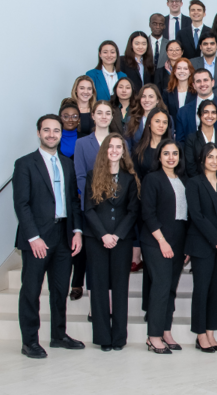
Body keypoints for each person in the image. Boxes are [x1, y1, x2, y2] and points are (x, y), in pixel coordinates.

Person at [13, 114, 85, 359]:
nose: (52, 134)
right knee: (31, 291)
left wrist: (77, 231)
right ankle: (29, 341)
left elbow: (74, 201)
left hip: (63, 234)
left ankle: (58, 335)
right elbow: (21, 204)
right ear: (38, 133)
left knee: (59, 289)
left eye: (56, 130)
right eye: (47, 130)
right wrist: (33, 237)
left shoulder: (67, 163)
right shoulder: (25, 164)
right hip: (37, 239)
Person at [83, 133, 140, 351]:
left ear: (124, 151)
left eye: (119, 147)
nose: (114, 150)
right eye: (111, 147)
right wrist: (103, 235)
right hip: (96, 239)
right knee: (98, 289)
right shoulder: (92, 176)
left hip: (121, 240)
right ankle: (102, 338)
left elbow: (133, 211)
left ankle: (118, 338)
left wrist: (117, 235)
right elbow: (88, 209)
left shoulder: (130, 178)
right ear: (104, 150)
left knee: (119, 288)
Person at [185, 142, 217, 353]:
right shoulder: (194, 183)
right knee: (201, 289)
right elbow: (197, 216)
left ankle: (210, 332)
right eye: (210, 157)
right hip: (203, 245)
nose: (214, 161)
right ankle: (200, 334)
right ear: (202, 160)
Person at [140, 139, 187, 354]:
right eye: (166, 153)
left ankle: (166, 331)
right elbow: (148, 213)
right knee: (160, 287)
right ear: (159, 156)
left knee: (170, 288)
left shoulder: (183, 180)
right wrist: (162, 241)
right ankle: (153, 336)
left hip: (178, 241)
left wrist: (184, 246)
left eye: (174, 153)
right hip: (157, 241)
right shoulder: (152, 179)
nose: (171, 157)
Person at [71, 100, 120, 302]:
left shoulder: (119, 142)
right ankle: (95, 305)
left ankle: (108, 300)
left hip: (115, 209)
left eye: (107, 113)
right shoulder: (81, 143)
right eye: (99, 113)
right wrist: (92, 202)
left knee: (113, 262)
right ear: (92, 115)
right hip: (92, 208)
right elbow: (80, 176)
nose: (103, 116)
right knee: (94, 260)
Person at [174, 68, 217, 144]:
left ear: (212, 83)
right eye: (198, 81)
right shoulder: (183, 112)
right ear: (194, 85)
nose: (202, 84)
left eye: (205, 80)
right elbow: (180, 142)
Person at [183, 99, 217, 181]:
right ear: (199, 115)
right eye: (206, 112)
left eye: (213, 112)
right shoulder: (191, 139)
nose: (210, 116)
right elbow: (190, 167)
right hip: (199, 186)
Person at [131, 108, 172, 181]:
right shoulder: (139, 149)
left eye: (165, 122)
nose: (161, 125)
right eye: (157, 121)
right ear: (149, 123)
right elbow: (135, 177)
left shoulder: (174, 148)